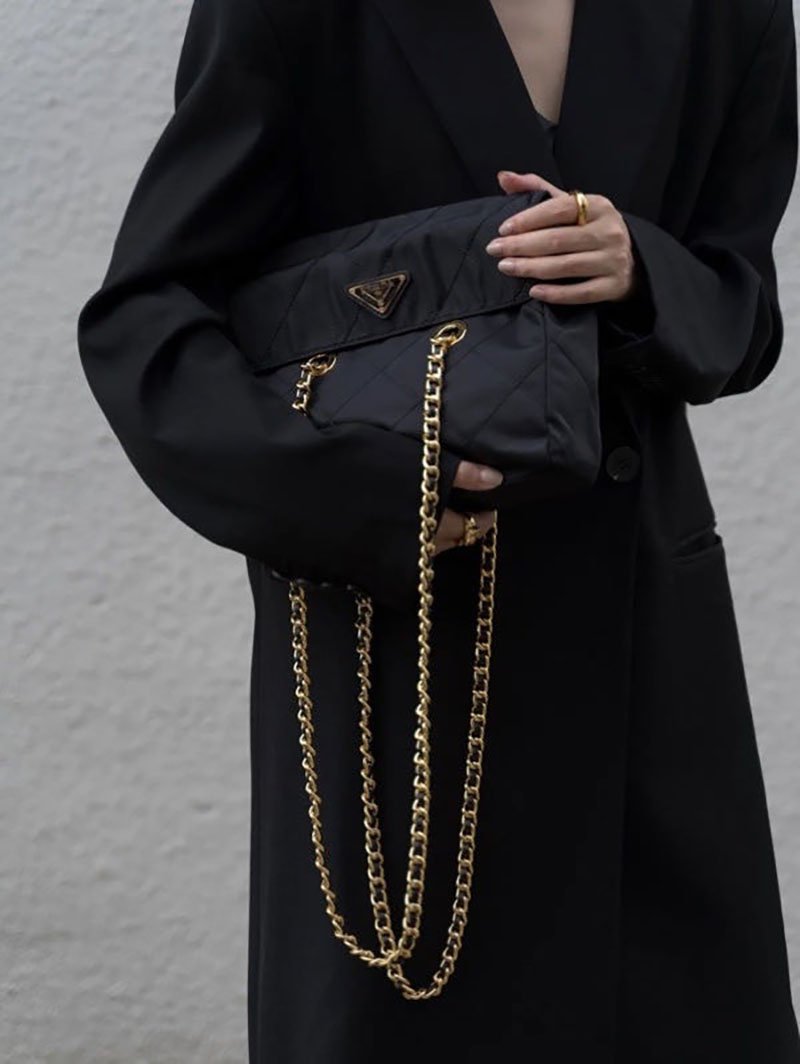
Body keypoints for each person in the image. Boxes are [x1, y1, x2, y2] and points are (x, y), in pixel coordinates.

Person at [76, 0, 800, 1060]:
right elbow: (147, 321)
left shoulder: (725, 14)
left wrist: (642, 268)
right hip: (392, 644)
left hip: (644, 633)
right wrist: (359, 493)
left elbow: (741, 305)